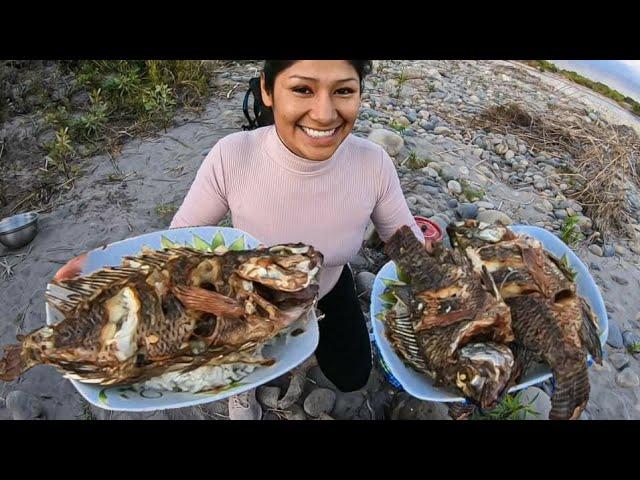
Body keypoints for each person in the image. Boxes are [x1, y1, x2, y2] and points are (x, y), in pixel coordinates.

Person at [55, 60, 425, 420]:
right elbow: (179, 241)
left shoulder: (372, 163)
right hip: (240, 301)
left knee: (353, 377)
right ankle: (241, 385)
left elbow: (409, 250)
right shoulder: (234, 156)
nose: (325, 113)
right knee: (219, 354)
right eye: (302, 89)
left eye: (343, 90)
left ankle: (304, 345)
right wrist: (104, 267)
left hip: (325, 287)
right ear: (267, 89)